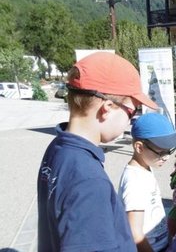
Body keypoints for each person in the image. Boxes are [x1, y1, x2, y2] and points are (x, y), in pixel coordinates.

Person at [37, 52, 157, 251]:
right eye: (132, 112)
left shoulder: (58, 147)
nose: (131, 121)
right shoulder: (89, 181)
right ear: (107, 108)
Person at [118, 113, 176, 252]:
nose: (166, 157)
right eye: (161, 152)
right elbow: (135, 233)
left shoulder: (145, 167)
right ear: (139, 147)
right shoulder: (135, 182)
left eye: (169, 151)